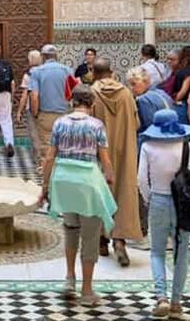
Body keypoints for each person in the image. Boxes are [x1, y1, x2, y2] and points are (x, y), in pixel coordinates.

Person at [41, 85, 116, 306]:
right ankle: (87, 290)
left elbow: (49, 157)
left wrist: (44, 185)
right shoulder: (96, 125)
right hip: (87, 183)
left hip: (64, 181)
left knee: (71, 229)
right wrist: (109, 177)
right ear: (92, 104)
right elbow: (104, 158)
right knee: (90, 236)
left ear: (72, 102)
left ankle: (69, 278)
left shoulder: (59, 123)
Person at [138, 109, 190, 320]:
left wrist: (149, 198)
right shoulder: (187, 147)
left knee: (157, 252)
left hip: (158, 200)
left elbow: (141, 179)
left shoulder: (148, 146)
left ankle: (161, 297)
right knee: (181, 253)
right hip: (182, 205)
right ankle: (176, 302)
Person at [90, 58, 141, 265]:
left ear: (94, 73)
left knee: (101, 194)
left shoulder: (92, 93)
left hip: (100, 155)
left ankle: (102, 240)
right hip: (125, 153)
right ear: (111, 72)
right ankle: (119, 242)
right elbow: (136, 123)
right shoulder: (126, 93)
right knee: (123, 193)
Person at [29, 44, 73, 169]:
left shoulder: (37, 72)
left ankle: (46, 173)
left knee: (46, 146)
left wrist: (35, 113)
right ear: (56, 56)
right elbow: (72, 92)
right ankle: (61, 171)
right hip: (64, 114)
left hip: (46, 114)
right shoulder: (67, 70)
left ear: (43, 56)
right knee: (63, 144)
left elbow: (34, 96)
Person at [128, 67, 174, 138]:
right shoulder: (161, 92)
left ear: (145, 81)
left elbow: (149, 127)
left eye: (134, 84)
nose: (131, 88)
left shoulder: (143, 100)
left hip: (157, 139)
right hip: (172, 134)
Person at [16, 50, 43, 164]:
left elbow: (24, 95)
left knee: (34, 133)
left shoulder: (28, 75)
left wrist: (19, 111)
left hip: (31, 107)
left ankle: (39, 159)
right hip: (45, 107)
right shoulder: (45, 72)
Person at [171, 46, 190, 124]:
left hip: (182, 105)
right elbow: (183, 91)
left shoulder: (180, 71)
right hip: (186, 105)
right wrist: (176, 100)